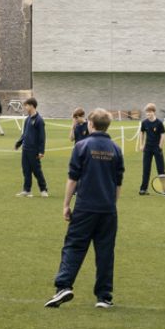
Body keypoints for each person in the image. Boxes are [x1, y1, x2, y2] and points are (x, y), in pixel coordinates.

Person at [46, 108, 123, 309]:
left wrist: (65, 205)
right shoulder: (116, 149)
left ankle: (64, 286)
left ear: (90, 124)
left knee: (73, 246)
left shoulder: (81, 146)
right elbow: (118, 183)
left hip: (85, 207)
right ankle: (104, 296)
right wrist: (112, 206)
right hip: (107, 209)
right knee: (105, 252)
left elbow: (73, 179)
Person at [15, 96, 47, 197]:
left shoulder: (39, 120)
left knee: (36, 171)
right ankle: (27, 190)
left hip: (34, 150)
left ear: (32, 106)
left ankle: (43, 189)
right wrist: (19, 143)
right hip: (25, 149)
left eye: (26, 106)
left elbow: (42, 137)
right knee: (26, 170)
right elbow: (24, 134)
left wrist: (41, 151)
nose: (25, 108)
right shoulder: (27, 119)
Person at [137, 103, 165, 195]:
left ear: (154, 112)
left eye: (150, 112)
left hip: (157, 149)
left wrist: (160, 146)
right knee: (146, 169)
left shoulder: (159, 123)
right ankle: (143, 189)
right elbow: (142, 133)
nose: (148, 114)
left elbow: (163, 134)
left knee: (160, 169)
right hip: (147, 149)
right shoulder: (144, 123)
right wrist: (141, 145)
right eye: (147, 112)